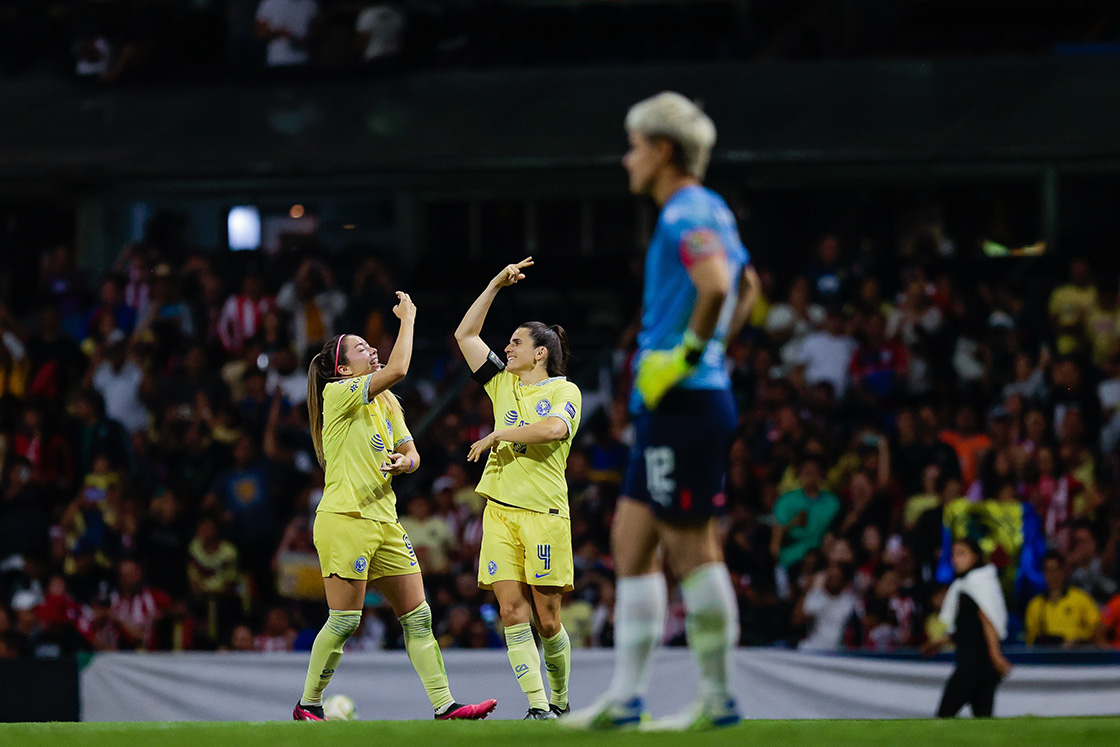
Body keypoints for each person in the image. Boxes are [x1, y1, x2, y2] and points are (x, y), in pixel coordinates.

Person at [570, 91, 758, 730]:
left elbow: (719, 286)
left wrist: (688, 357)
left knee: (690, 546)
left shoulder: (685, 214)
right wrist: (709, 352)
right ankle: (626, 698)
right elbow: (750, 287)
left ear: (662, 151)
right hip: (674, 404)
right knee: (631, 540)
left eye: (634, 146)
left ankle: (718, 697)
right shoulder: (711, 210)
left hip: (683, 402)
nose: (627, 159)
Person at [294, 291, 496, 722]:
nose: (372, 350)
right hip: (345, 518)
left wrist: (405, 461)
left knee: (418, 617)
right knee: (345, 621)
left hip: (385, 520)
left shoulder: (385, 402)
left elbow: (412, 451)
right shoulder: (339, 394)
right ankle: (308, 704)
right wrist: (409, 319)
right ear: (344, 369)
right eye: (361, 348)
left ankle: (446, 706)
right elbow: (402, 367)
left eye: (371, 345)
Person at [453, 258, 583, 720]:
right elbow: (465, 337)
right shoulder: (501, 383)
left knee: (548, 621)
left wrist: (497, 435)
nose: (506, 348)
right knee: (511, 612)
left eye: (515, 342)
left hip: (544, 514)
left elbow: (551, 431)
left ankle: (561, 698)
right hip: (500, 512)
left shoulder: (565, 392)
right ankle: (537, 708)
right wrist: (493, 285)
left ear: (541, 352)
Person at [925, 539, 1011, 718]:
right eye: (954, 554)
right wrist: (938, 643)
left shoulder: (978, 583)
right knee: (982, 725)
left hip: (972, 667)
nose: (956, 559)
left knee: (942, 719)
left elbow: (987, 620)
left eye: (962, 553)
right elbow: (967, 630)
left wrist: (995, 655)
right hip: (981, 668)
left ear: (975, 556)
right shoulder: (965, 585)